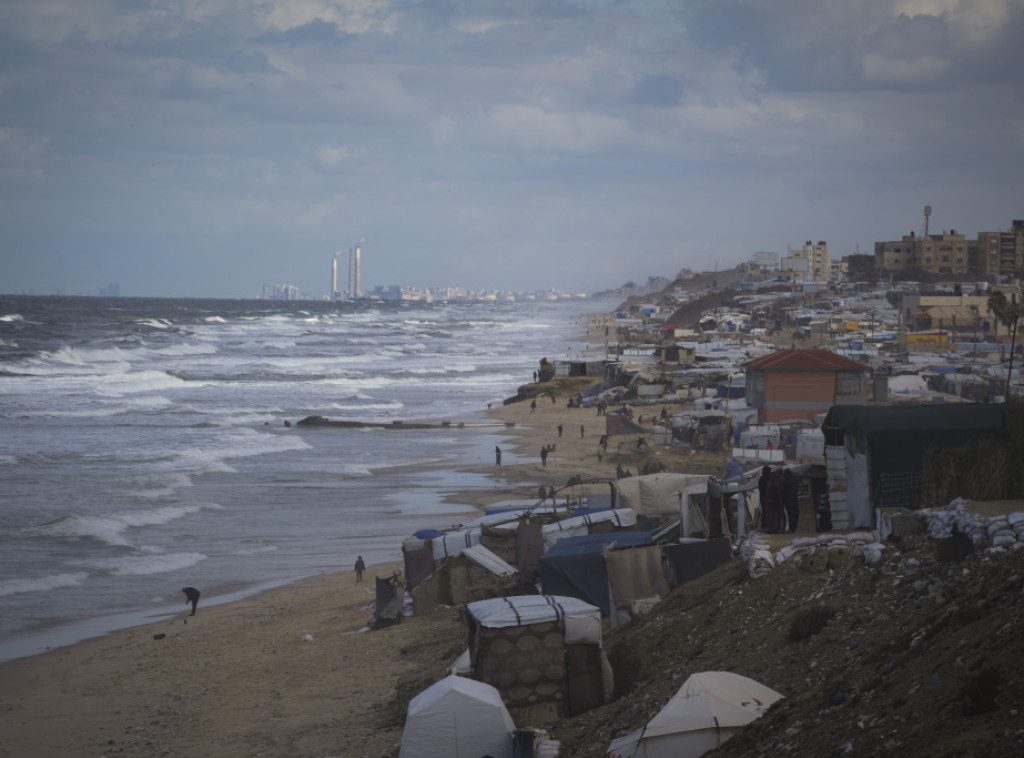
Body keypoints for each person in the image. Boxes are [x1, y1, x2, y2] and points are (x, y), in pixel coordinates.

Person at [782, 468, 799, 533]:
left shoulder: (786, 482)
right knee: (794, 515)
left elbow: (784, 492)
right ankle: (793, 529)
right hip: (794, 500)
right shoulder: (795, 480)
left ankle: (791, 529)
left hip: (788, 501)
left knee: (790, 516)